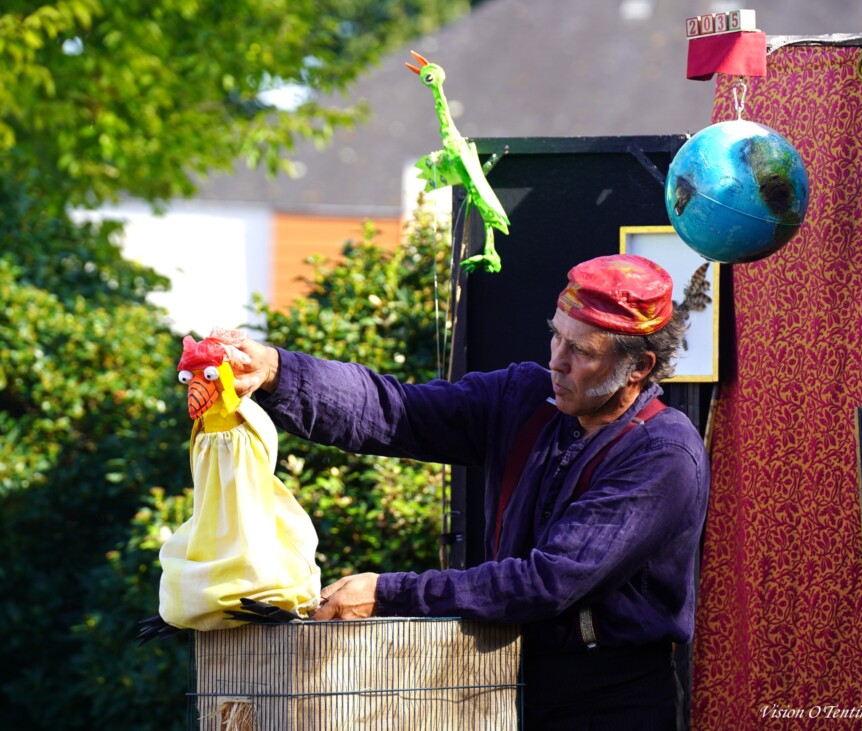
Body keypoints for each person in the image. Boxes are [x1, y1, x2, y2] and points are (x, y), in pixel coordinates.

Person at [232, 254, 710, 730]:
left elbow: (547, 583)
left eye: (582, 351)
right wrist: (276, 371)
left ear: (638, 368)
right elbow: (396, 410)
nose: (556, 362)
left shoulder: (662, 453)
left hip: (611, 706)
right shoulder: (523, 395)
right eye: (556, 336)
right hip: (502, 682)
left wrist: (388, 593)